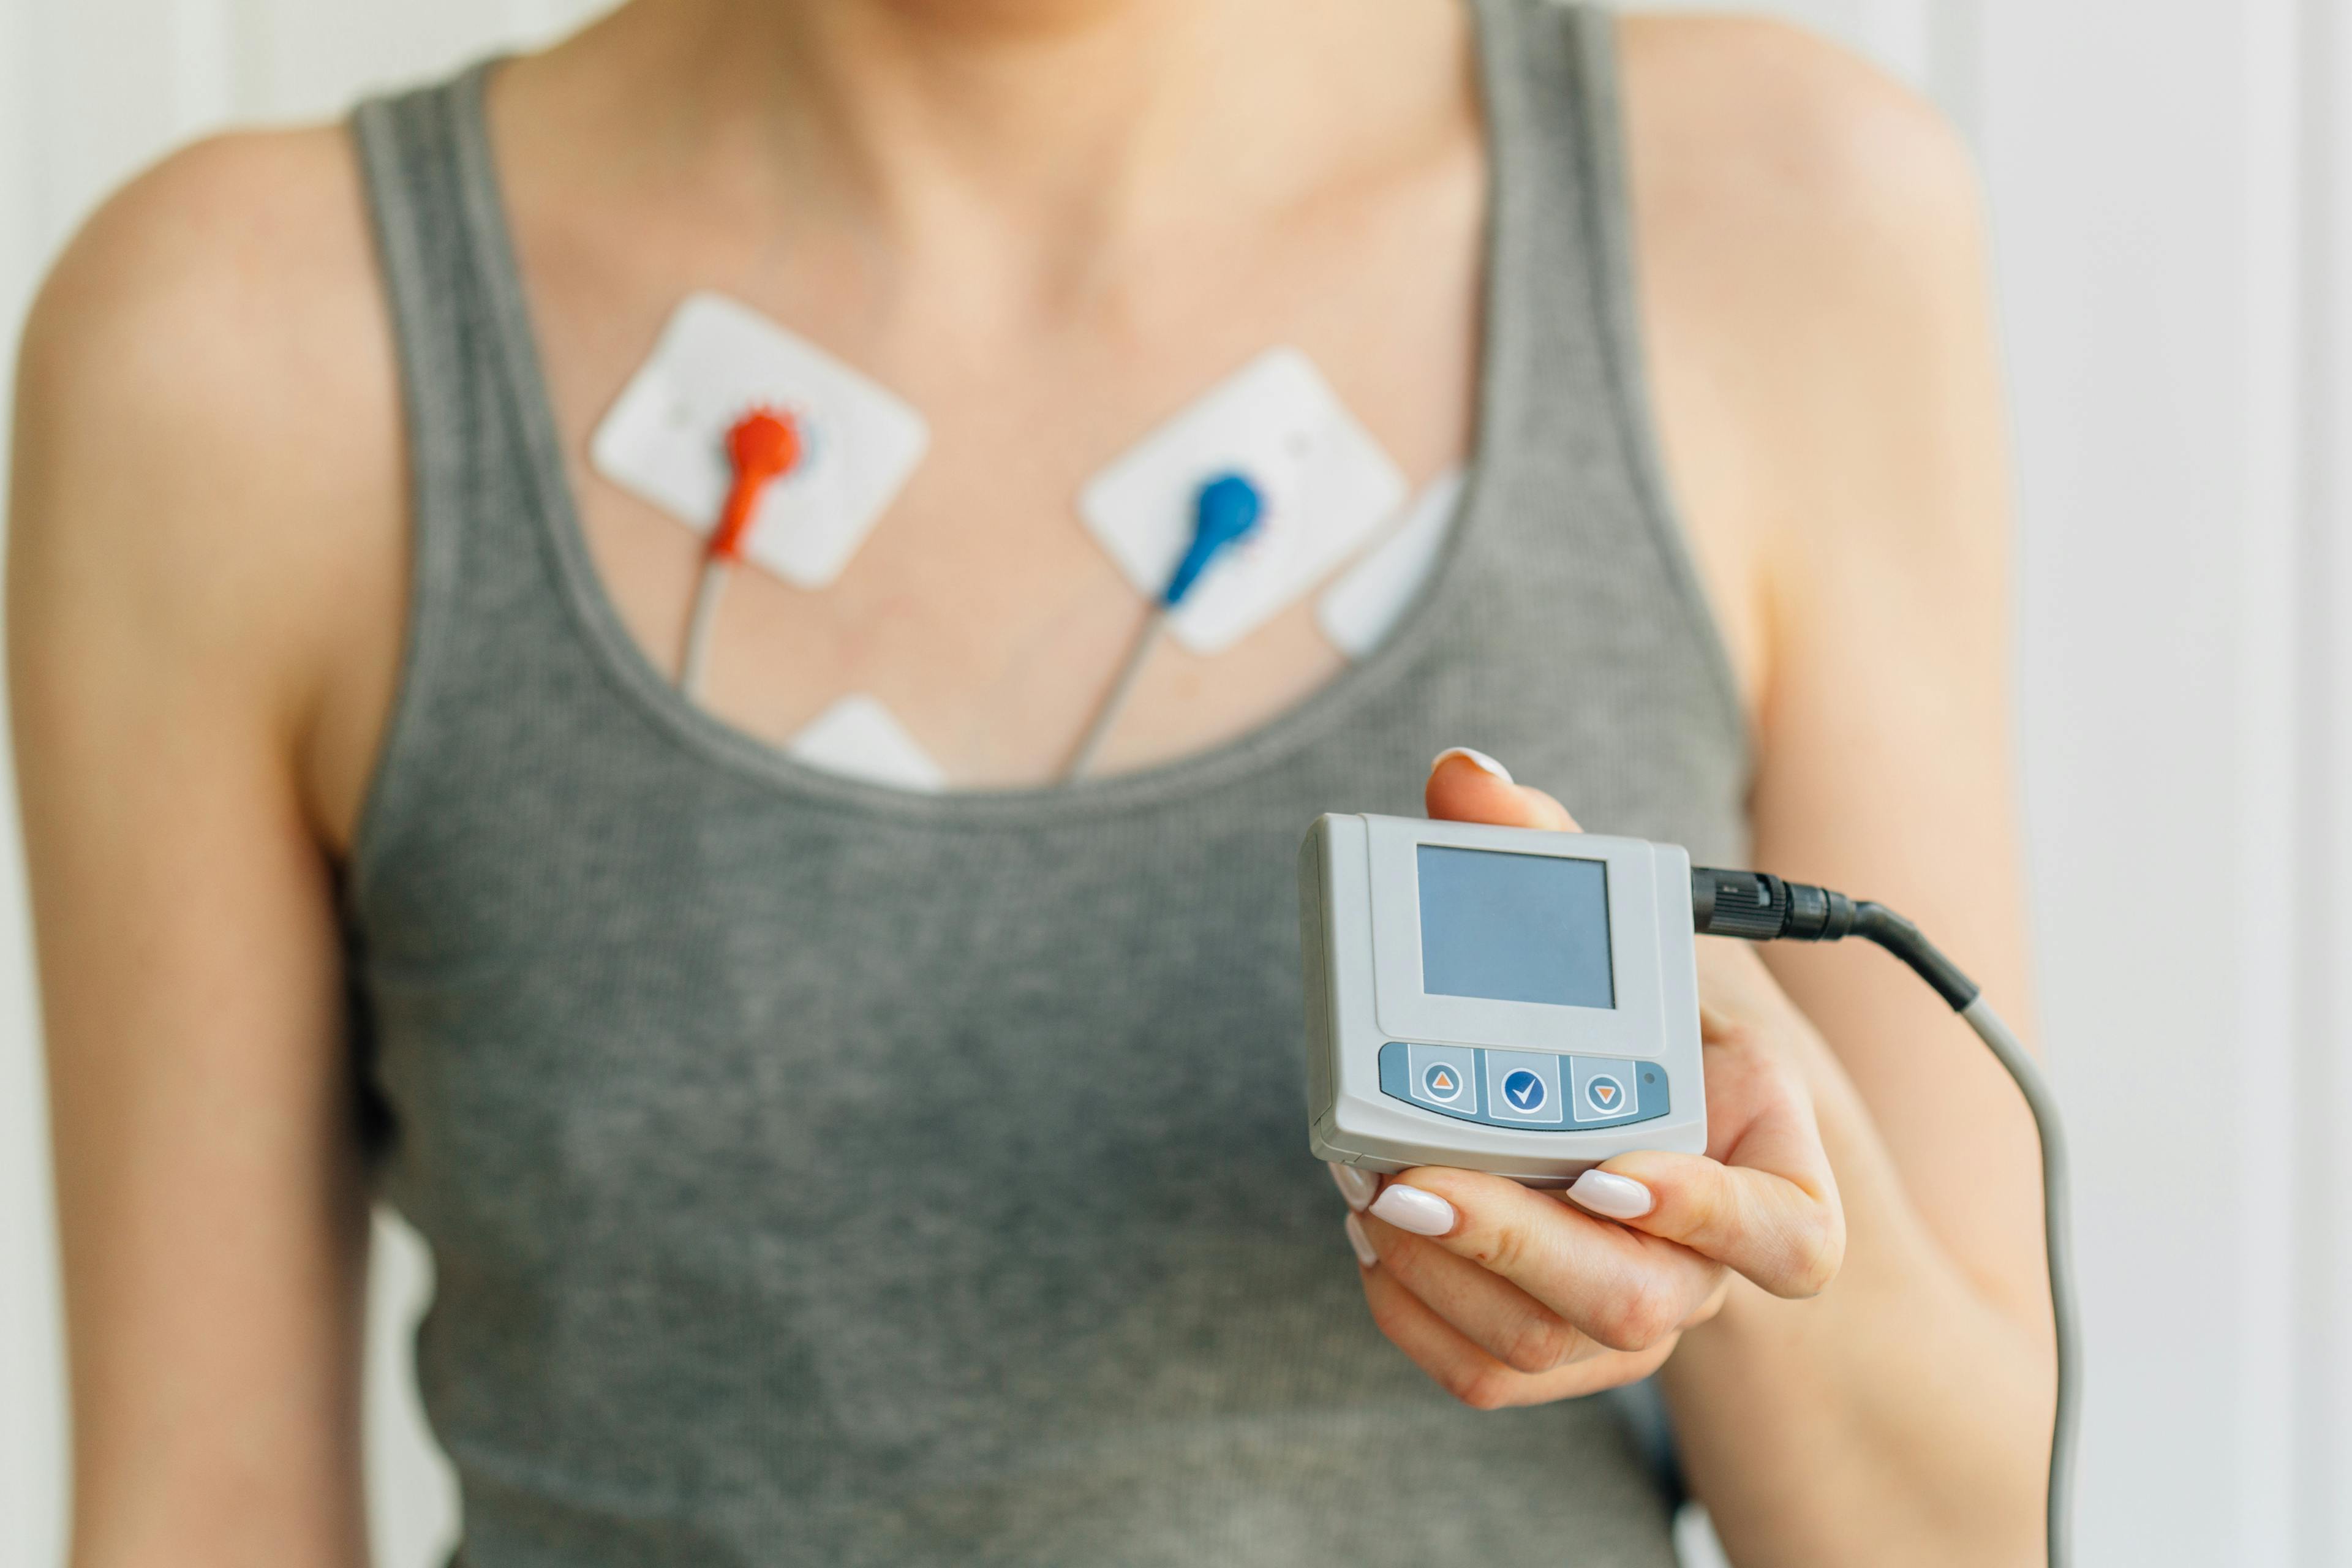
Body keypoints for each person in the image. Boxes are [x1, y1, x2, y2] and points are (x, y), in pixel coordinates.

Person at [9, 0, 2054, 1562]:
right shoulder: (242, 345)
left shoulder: (1777, 211)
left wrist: (1722, 1204)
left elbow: (1959, 1527)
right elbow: (203, 1514)